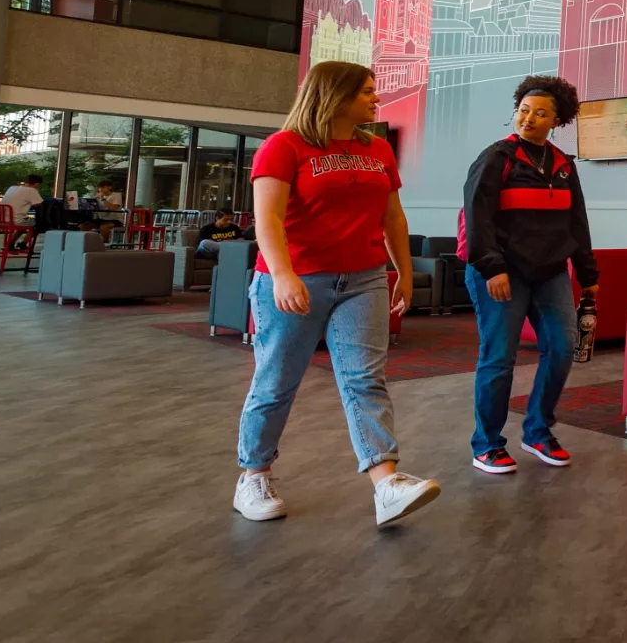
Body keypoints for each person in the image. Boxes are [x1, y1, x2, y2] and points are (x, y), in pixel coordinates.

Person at [232, 60, 440, 527]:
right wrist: (283, 275)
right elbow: (267, 220)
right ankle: (254, 474)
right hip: (294, 280)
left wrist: (402, 271)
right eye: (367, 91)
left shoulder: (379, 150)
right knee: (276, 381)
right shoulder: (283, 147)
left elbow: (393, 218)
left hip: (363, 278)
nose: (376, 98)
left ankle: (386, 483)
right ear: (335, 94)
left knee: (366, 379)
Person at [462, 75, 598, 475]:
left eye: (540, 113)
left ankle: (538, 430)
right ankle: (487, 444)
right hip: (501, 272)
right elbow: (477, 220)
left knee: (561, 346)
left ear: (556, 121)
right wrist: (492, 267)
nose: (529, 118)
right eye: (524, 110)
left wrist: (588, 272)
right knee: (499, 358)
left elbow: (578, 223)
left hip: (550, 272)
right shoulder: (496, 158)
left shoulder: (562, 166)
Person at [2, 175, 42, 249]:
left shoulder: (11, 188)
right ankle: (23, 243)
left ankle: (10, 244)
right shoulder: (31, 190)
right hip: (16, 221)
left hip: (1, 219)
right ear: (37, 184)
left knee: (24, 222)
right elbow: (40, 204)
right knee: (39, 224)